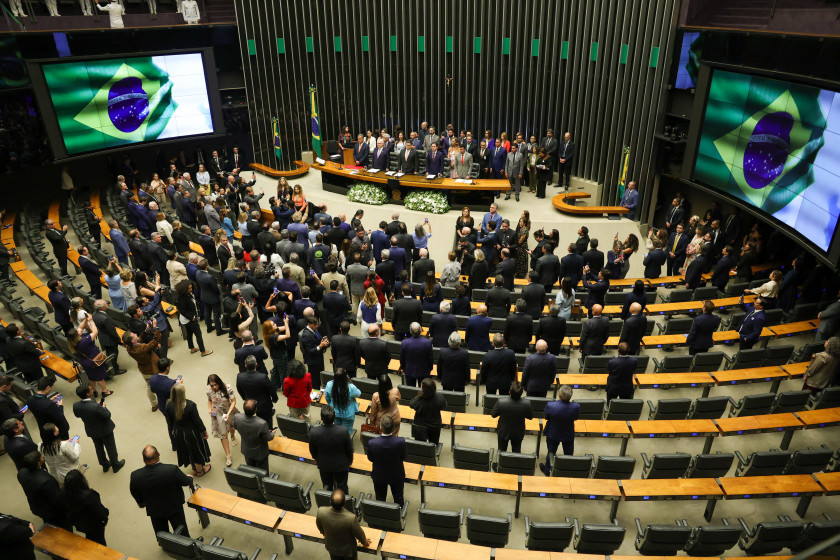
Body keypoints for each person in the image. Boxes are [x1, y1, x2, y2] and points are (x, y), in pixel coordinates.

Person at [129, 445, 194, 537]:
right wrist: (189, 478)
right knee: (182, 531)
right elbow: (185, 482)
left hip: (155, 510)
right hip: (174, 506)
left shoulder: (135, 476)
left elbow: (134, 491)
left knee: (161, 534)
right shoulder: (171, 470)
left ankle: (165, 543)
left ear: (143, 459)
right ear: (158, 454)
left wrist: (141, 503)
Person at [72, 385, 124, 473]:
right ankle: (115, 465)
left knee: (99, 448)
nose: (93, 390)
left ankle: (105, 465)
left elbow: (77, 415)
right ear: (87, 394)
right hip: (105, 430)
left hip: (92, 430)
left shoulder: (76, 405)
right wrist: (103, 407)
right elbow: (107, 415)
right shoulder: (96, 407)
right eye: (91, 390)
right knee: (111, 448)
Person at [17, 451, 71, 530]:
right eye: (41, 457)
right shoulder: (46, 481)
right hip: (52, 511)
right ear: (38, 463)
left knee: (47, 520)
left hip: (36, 505)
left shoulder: (21, 473)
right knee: (64, 526)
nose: (42, 457)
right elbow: (57, 500)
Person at [167, 383, 212, 476]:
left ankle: (194, 467)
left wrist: (173, 429)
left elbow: (169, 420)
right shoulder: (190, 405)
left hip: (178, 432)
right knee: (195, 450)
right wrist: (204, 431)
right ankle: (200, 471)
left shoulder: (168, 404)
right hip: (191, 433)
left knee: (187, 449)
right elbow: (197, 420)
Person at [316, 488, 371, 560]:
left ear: (330, 501)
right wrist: (364, 542)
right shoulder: (351, 518)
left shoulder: (321, 511)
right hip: (348, 552)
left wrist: (324, 533)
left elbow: (319, 526)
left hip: (332, 548)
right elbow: (359, 533)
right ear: (345, 502)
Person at [309, 406, 354, 493]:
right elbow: (349, 449)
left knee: (327, 486)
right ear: (335, 416)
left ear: (321, 418)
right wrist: (350, 460)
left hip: (324, 465)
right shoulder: (343, 431)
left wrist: (317, 459)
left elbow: (312, 451)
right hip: (341, 465)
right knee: (342, 486)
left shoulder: (314, 432)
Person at [366, 415, 406, 506]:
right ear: (393, 427)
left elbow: (370, 458)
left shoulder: (372, 443)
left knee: (380, 499)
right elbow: (404, 457)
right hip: (396, 475)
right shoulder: (400, 442)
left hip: (379, 475)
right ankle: (399, 513)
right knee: (398, 498)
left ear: (380, 427)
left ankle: (381, 513)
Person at [63, 469, 109, 545]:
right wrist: (105, 518)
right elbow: (100, 512)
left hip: (81, 524)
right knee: (100, 542)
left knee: (90, 537)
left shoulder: (65, 493)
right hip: (94, 525)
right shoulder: (88, 495)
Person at [540, 385, 580, 474]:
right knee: (568, 454)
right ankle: (567, 471)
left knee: (551, 452)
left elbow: (546, 417)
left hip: (553, 433)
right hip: (568, 433)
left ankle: (547, 470)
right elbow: (576, 418)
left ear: (559, 395)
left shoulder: (550, 405)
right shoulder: (576, 407)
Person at [490, 381, 533, 454]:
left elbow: (493, 415)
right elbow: (530, 417)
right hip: (518, 431)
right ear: (522, 393)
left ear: (509, 392)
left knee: (501, 451)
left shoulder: (501, 402)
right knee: (516, 452)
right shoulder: (527, 403)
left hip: (503, 431)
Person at [236, 354, 278, 428]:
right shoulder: (263, 377)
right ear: (256, 364)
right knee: (267, 424)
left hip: (249, 405)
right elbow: (271, 389)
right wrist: (275, 399)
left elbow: (239, 389)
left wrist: (245, 399)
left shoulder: (239, 377)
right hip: (264, 405)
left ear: (245, 365)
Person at [233, 399, 274, 472]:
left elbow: (236, 427)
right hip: (260, 453)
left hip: (246, 451)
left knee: (251, 471)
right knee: (263, 472)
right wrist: (272, 433)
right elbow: (268, 438)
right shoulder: (261, 423)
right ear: (256, 410)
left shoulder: (237, 417)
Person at [206, 374, 238, 467]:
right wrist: (209, 408)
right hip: (218, 415)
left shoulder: (227, 388)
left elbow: (234, 401)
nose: (214, 387)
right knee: (223, 434)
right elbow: (209, 400)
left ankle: (233, 436)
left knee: (231, 426)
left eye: (215, 385)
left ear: (219, 382)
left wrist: (228, 413)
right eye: (211, 385)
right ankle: (228, 455)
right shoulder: (208, 390)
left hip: (228, 411)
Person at [409, 378, 446, 444]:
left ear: (423, 390)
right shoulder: (440, 397)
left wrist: (418, 396)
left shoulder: (419, 401)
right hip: (435, 426)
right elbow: (443, 406)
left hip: (420, 425)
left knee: (420, 445)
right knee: (434, 444)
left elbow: (411, 404)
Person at [400, 322, 433, 387]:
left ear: (410, 331)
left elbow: (402, 358)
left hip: (409, 370)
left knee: (411, 390)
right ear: (420, 330)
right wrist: (430, 369)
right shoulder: (428, 342)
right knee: (423, 390)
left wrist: (403, 368)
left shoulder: (404, 343)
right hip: (424, 371)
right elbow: (430, 358)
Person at [300, 317, 329, 389]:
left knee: (320, 378)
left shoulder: (314, 329)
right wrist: (320, 346)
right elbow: (309, 351)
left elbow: (319, 339)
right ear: (309, 324)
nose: (317, 326)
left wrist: (324, 343)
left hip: (319, 358)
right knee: (315, 382)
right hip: (313, 362)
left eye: (317, 324)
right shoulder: (306, 335)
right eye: (315, 325)